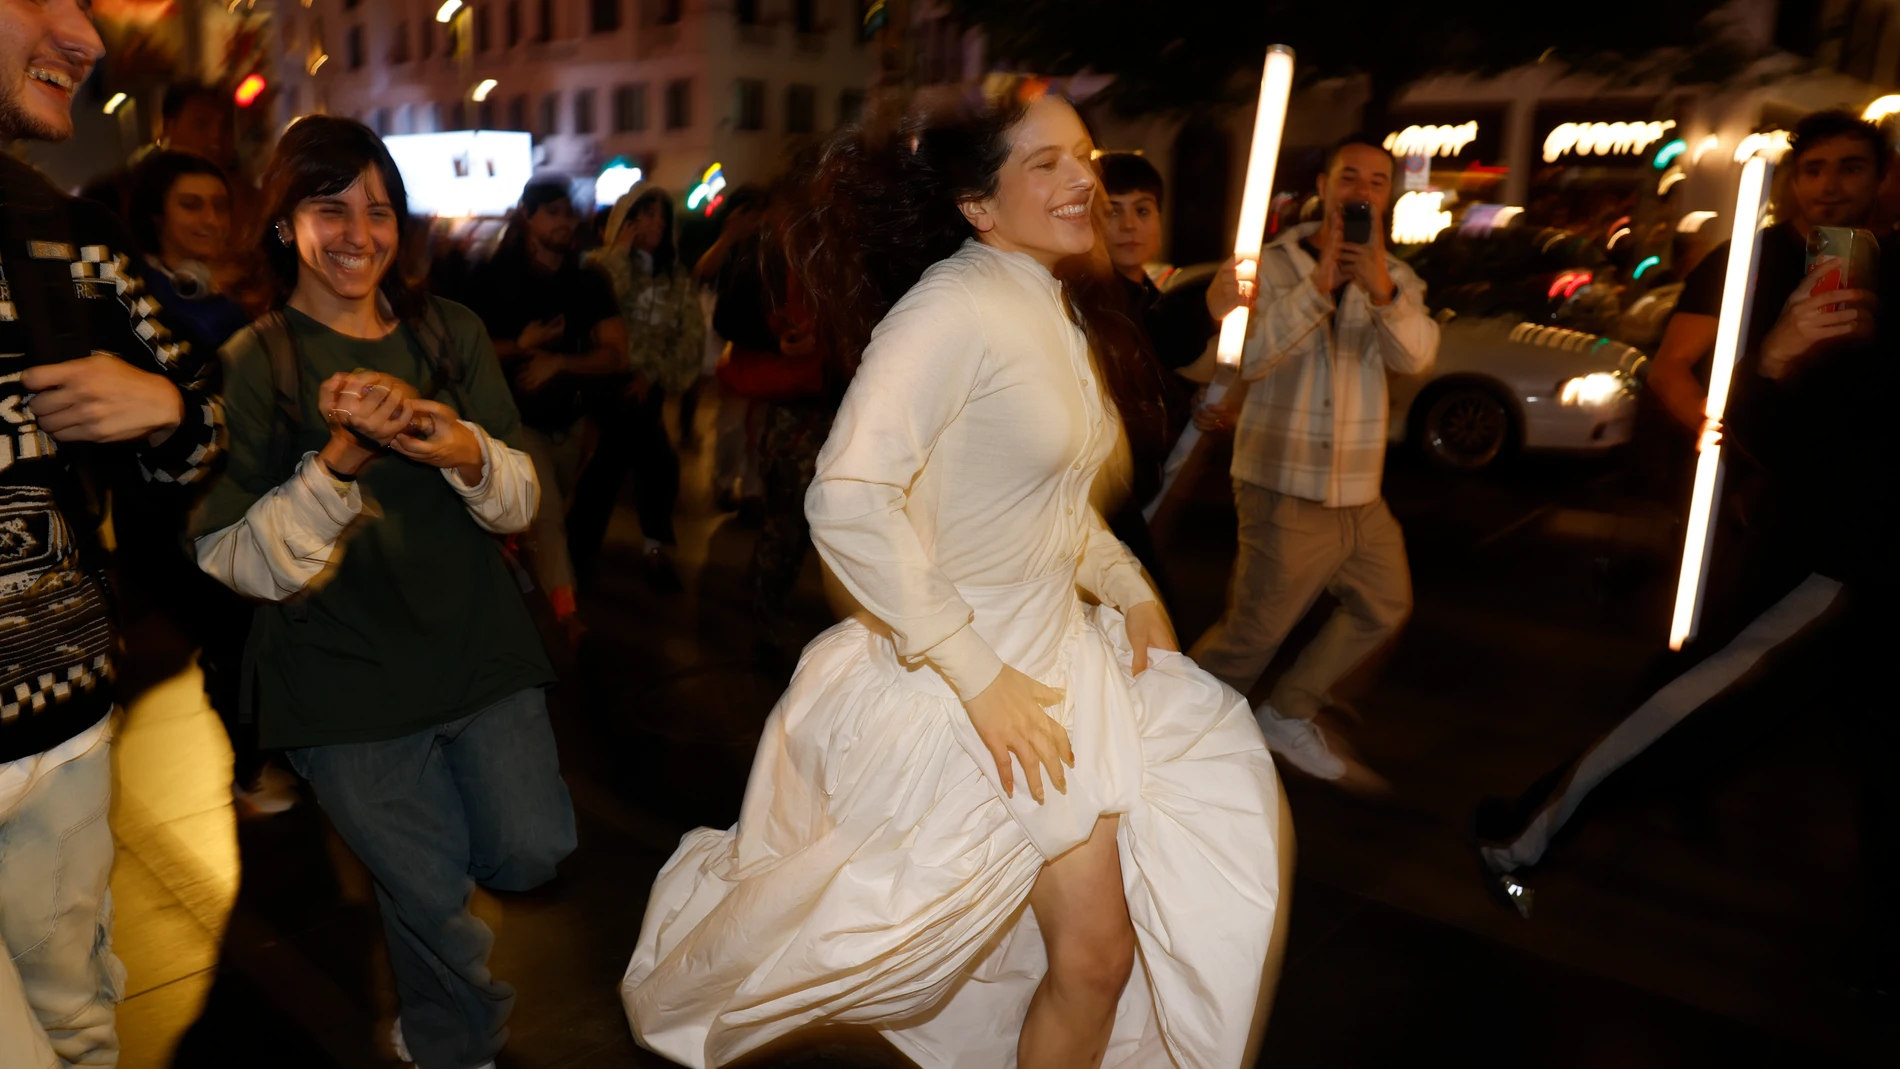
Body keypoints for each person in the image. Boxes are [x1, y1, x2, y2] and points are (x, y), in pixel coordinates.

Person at [623, 87, 1289, 1069]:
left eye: (1083, 156)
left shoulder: (1049, 304)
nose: (1081, 181)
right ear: (978, 206)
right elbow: (846, 498)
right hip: (970, 689)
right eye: (1044, 164)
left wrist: (1132, 590)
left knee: (1092, 957)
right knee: (1089, 956)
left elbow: (1050, 502)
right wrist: (976, 675)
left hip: (1056, 666)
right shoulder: (950, 307)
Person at [190, 117, 574, 1069]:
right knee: (430, 889)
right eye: (330, 208)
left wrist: (461, 447)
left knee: (531, 849)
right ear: (285, 225)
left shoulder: (453, 333)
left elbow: (520, 496)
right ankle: (455, 1039)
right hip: (340, 682)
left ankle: (436, 943)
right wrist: (340, 462)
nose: (359, 232)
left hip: (478, 651)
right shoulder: (255, 362)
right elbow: (228, 555)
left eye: (378, 208)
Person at [1473, 112, 1898, 952]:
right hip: (1807, 538)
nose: (1833, 184)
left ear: (1880, 178)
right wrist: (1751, 403)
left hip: (1855, 535)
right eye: (1814, 168)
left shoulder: (1890, 267)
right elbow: (1678, 369)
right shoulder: (1749, 263)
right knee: (1695, 692)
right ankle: (1529, 831)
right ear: (1790, 181)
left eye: (1852, 167)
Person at [0, 3, 226, 1064]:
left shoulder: (64, 237)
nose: (85, 39)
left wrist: (165, 410)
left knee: (80, 1025)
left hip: (63, 737)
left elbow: (203, 411)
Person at [1187, 134, 1439, 788]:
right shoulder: (1268, 266)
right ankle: (1167, 737)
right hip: (1282, 484)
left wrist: (1378, 287)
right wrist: (1321, 284)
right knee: (1252, 633)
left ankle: (1288, 710)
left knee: (1385, 604)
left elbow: (1414, 357)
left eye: (1378, 182)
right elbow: (1251, 355)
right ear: (1323, 188)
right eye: (1349, 176)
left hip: (1360, 491)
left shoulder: (1396, 277)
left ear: (1388, 198)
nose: (1362, 189)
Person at [463, 180, 627, 628]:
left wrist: (560, 362)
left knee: (551, 505)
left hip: (571, 421)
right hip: (517, 420)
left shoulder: (587, 279)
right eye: (552, 212)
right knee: (549, 510)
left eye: (568, 213)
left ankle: (518, 549)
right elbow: (465, 350)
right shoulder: (494, 276)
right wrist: (521, 344)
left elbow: (615, 352)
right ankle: (566, 616)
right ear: (527, 215)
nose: (563, 222)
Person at [1095, 150, 1217, 603]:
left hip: (1139, 493)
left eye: (1142, 211)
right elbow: (1149, 347)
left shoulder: (1150, 295)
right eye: (1113, 212)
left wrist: (1198, 409)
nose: (1129, 226)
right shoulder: (1090, 297)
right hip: (1102, 501)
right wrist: (1207, 309)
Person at [572, 185, 704, 591]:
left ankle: (578, 550)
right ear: (627, 220)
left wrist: (653, 373)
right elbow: (598, 313)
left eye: (662, 216)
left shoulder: (676, 278)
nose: (657, 224)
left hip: (648, 387)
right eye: (646, 215)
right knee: (653, 461)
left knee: (617, 463)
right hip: (608, 385)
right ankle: (652, 547)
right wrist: (620, 257)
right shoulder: (600, 265)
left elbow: (689, 336)